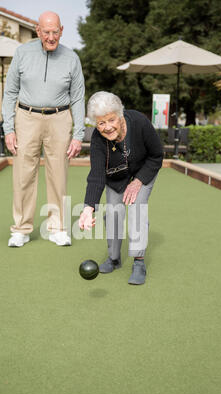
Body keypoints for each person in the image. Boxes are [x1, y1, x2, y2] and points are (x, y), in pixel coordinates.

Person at [2, 11, 85, 247]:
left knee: (58, 174)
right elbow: (10, 93)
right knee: (23, 175)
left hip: (60, 118)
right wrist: (9, 128)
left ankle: (57, 228)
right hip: (26, 117)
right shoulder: (22, 53)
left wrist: (78, 135)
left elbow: (78, 98)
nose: (51, 37)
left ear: (61, 31)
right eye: (46, 32)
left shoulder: (71, 58)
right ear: (38, 30)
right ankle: (21, 229)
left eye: (55, 32)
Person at [79, 91, 163, 285]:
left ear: (120, 115)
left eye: (111, 120)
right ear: (95, 124)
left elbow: (156, 155)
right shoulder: (98, 141)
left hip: (143, 171)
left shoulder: (139, 122)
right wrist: (87, 208)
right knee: (114, 212)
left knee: (136, 206)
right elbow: (96, 175)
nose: (107, 127)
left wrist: (139, 180)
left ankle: (139, 260)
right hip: (116, 177)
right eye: (101, 123)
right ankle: (114, 258)